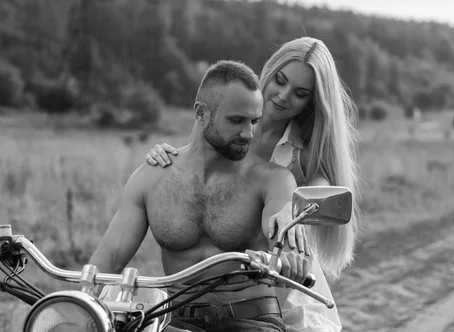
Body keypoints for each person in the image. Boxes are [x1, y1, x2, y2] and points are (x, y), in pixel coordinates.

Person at [143, 37, 362, 332]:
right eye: (280, 81)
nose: (284, 96)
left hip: (278, 283)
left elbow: (314, 198)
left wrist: (293, 209)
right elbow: (196, 157)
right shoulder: (231, 110)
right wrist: (163, 154)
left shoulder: (305, 154)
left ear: (312, 100)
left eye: (299, 93)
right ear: (269, 71)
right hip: (203, 286)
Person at [88, 60, 313, 332]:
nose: (249, 134)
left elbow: (286, 237)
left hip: (252, 321)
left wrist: (291, 259)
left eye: (254, 121)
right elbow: (108, 260)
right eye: (236, 121)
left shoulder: (273, 179)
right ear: (201, 112)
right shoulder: (151, 177)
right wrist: (77, 306)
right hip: (174, 321)